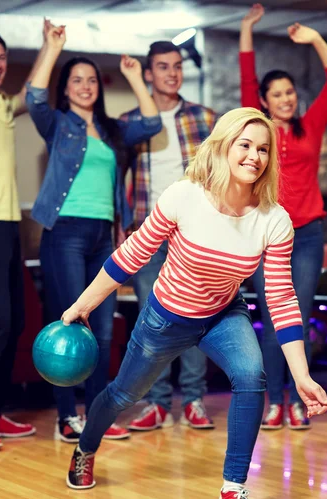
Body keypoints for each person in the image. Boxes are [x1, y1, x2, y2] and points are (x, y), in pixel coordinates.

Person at [62, 107, 327, 499]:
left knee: (251, 374)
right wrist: (83, 304)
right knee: (122, 396)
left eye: (263, 149)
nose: (254, 156)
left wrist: (300, 375)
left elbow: (280, 297)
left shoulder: (274, 220)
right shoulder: (185, 196)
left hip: (223, 314)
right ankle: (86, 448)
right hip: (166, 317)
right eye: (245, 145)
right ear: (224, 146)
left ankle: (232, 491)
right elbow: (132, 255)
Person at [26, 24, 162, 443]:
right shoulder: (57, 124)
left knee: (102, 332)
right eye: (76, 81)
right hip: (63, 233)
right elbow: (33, 97)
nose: (85, 87)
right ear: (65, 89)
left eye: (90, 81)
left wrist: (137, 77)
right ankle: (68, 417)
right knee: (69, 323)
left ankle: (98, 416)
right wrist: (53, 48)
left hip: (105, 236)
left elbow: (153, 122)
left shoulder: (112, 130)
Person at [239, 3, 327, 430]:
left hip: (307, 235)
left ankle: (298, 401)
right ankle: (272, 402)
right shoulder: (257, 131)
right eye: (276, 94)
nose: (286, 99)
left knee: (297, 317)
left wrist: (315, 39)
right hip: (267, 236)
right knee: (270, 321)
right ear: (263, 102)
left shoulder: (311, 125)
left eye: (290, 92)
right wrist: (247, 29)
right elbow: (247, 75)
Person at [121, 41, 217, 433]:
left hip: (194, 234)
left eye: (177, 66)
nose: (172, 73)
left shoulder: (206, 118)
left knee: (195, 318)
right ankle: (157, 402)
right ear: (148, 74)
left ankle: (193, 399)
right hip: (147, 231)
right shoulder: (131, 122)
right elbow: (116, 179)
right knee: (152, 320)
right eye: (163, 67)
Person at [0, 22, 52, 448]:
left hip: (9, 226)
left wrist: (49, 48)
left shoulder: (1, 105)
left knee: (12, 323)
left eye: (1, 60)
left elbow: (29, 93)